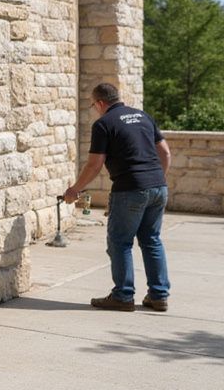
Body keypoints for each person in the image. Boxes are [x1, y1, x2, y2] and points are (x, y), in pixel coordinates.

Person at [64, 82, 171, 313]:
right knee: (151, 239)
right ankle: (159, 295)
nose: (95, 109)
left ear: (101, 103)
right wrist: (155, 179)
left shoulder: (104, 124)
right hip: (158, 187)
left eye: (93, 105)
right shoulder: (143, 116)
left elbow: (94, 164)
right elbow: (165, 153)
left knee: (120, 242)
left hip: (130, 189)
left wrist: (75, 190)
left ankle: (122, 296)